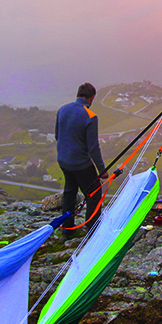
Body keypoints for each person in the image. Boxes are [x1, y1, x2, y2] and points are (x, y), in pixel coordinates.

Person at [55, 82, 107, 235]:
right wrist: (102, 170)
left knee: (70, 192)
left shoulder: (62, 109)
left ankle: (67, 229)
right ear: (91, 98)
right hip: (81, 164)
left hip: (63, 161)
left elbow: (57, 136)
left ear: (77, 95)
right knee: (94, 193)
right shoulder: (90, 116)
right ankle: (92, 229)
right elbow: (93, 147)